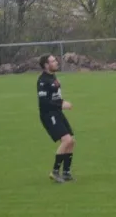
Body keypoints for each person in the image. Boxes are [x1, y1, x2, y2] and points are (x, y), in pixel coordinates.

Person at [37, 54, 75, 183]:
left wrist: (63, 102)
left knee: (71, 141)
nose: (56, 62)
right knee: (66, 140)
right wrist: (61, 104)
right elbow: (44, 102)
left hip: (57, 112)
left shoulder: (52, 77)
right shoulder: (42, 81)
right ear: (46, 65)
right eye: (53, 61)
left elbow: (54, 97)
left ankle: (66, 172)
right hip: (49, 115)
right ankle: (54, 172)